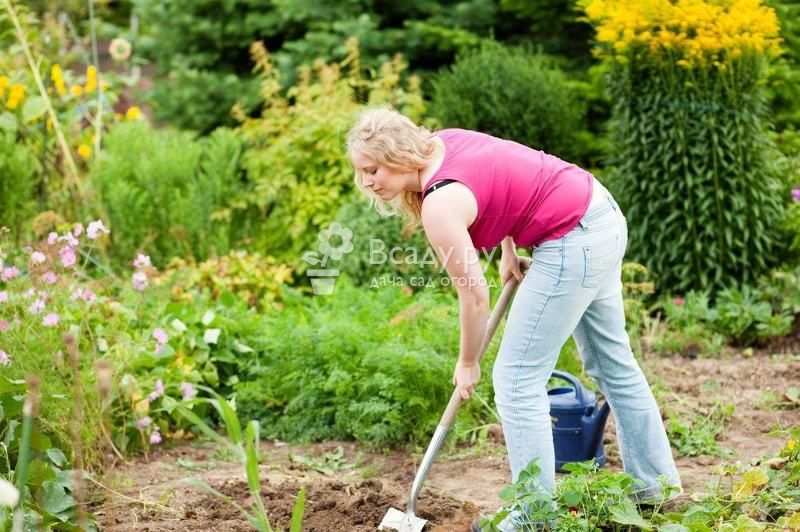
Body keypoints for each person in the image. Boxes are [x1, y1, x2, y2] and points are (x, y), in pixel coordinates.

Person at [346, 107, 682, 530]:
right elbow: (506, 179)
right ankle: (654, 487)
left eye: (372, 169)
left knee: (517, 379)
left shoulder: (440, 203)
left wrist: (467, 362)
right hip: (599, 213)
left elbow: (473, 295)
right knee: (611, 363)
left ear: (397, 154)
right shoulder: (445, 142)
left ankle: (533, 516)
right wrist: (507, 248)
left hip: (572, 238)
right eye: (360, 172)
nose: (366, 182)